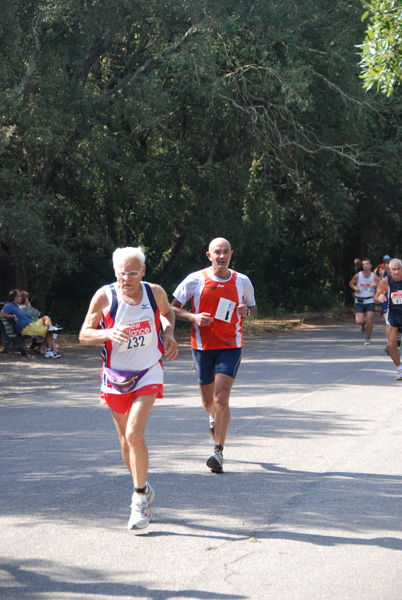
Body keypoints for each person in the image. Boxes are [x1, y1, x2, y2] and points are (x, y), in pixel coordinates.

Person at [79, 246, 178, 530]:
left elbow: (168, 314)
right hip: (115, 376)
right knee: (125, 441)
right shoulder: (104, 296)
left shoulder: (154, 293)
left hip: (148, 370)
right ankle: (145, 487)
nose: (127, 277)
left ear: (143, 272)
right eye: (122, 272)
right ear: (115, 272)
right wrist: (107, 333)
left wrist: (169, 333)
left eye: (133, 272)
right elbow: (84, 334)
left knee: (135, 432)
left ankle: (138, 501)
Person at [171, 237, 257, 474]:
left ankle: (218, 451)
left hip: (231, 345)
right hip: (202, 346)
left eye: (225, 252)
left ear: (231, 254)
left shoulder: (242, 281)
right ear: (209, 255)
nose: (221, 256)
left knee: (221, 398)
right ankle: (214, 418)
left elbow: (253, 307)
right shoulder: (195, 279)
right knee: (209, 403)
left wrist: (246, 311)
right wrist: (194, 317)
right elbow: (173, 308)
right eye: (217, 252)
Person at [2, 290, 62, 357]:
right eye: (20, 296)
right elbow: (0, 314)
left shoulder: (15, 305)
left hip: (31, 325)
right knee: (50, 331)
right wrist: (12, 316)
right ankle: (49, 351)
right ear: (15, 298)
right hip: (26, 328)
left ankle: (50, 344)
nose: (22, 297)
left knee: (46, 318)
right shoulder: (9, 305)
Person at [374, 258, 402, 380]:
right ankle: (400, 370)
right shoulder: (386, 281)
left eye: (399, 269)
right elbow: (376, 295)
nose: (396, 272)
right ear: (389, 270)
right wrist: (379, 297)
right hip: (393, 315)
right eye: (394, 269)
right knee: (391, 345)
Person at [349, 257, 380, 345]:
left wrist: (375, 286)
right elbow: (351, 283)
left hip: (370, 300)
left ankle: (367, 338)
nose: (365, 266)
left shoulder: (374, 276)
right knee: (359, 321)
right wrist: (355, 288)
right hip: (360, 301)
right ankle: (363, 324)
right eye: (363, 264)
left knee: (370, 320)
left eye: (367, 264)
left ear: (370, 265)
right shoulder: (358, 275)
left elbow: (380, 287)